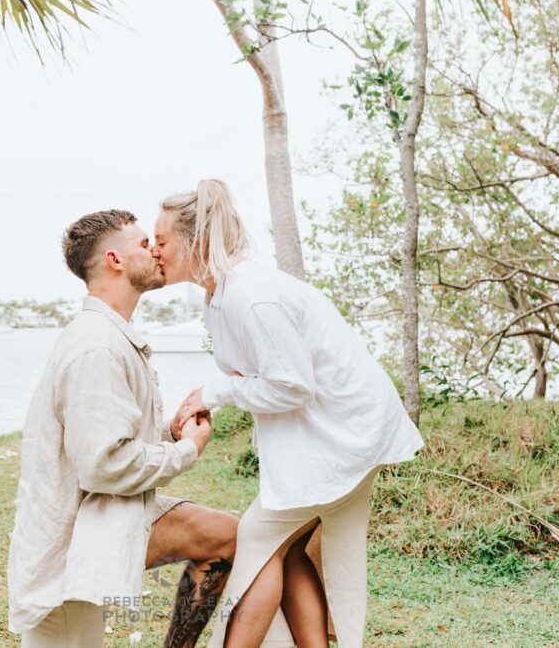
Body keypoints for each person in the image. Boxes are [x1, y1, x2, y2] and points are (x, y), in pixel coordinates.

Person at [154, 181, 425, 648]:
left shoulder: (249, 296)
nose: (154, 251)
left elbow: (293, 385)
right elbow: (260, 372)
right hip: (331, 435)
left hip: (346, 435)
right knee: (291, 548)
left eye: (161, 242)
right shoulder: (218, 296)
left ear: (196, 243)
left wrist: (215, 392)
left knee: (256, 542)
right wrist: (214, 394)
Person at [7, 209, 239, 647]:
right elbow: (104, 465)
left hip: (111, 513)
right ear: (114, 259)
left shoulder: (110, 336)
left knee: (226, 537)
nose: (155, 250)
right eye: (142, 243)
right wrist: (187, 450)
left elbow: (106, 441)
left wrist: (169, 435)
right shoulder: (97, 347)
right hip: (76, 535)